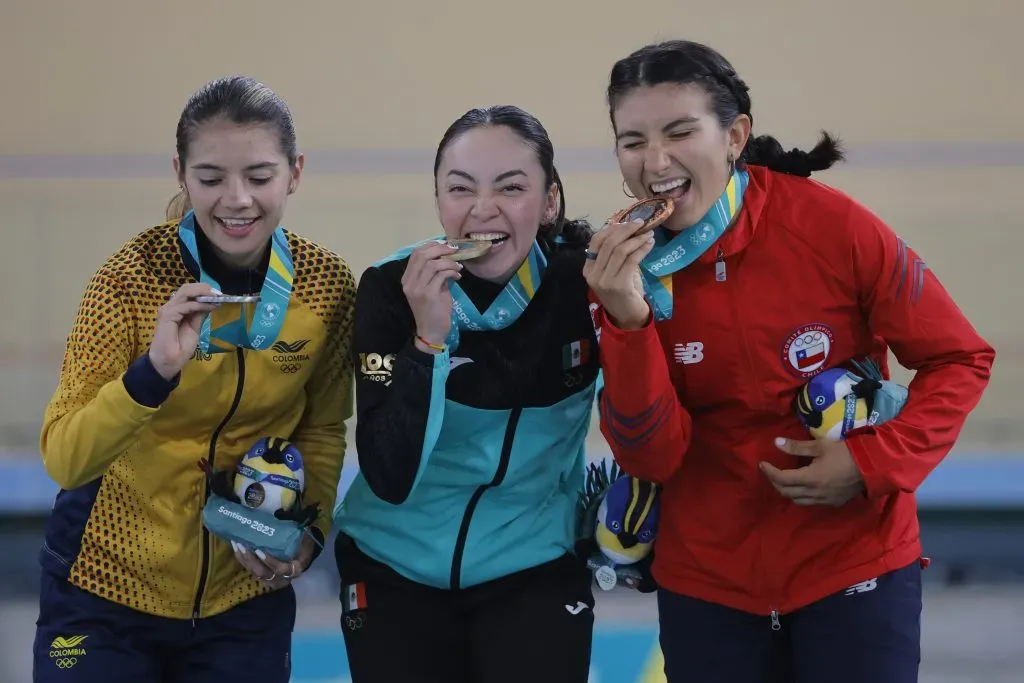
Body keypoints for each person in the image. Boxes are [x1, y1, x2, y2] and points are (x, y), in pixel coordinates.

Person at [584, 39, 995, 683]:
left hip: (854, 565)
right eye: (631, 141)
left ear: (735, 134)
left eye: (680, 132)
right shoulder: (620, 272)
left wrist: (870, 463)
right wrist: (628, 322)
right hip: (708, 582)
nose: (654, 161)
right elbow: (650, 457)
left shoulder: (832, 228)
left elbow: (959, 357)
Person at [33, 75, 356, 683]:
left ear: (295, 172)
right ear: (181, 173)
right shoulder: (126, 283)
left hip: (244, 602)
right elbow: (66, 459)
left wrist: (309, 531)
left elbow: (322, 426)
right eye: (211, 178)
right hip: (103, 591)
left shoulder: (325, 286)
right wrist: (151, 375)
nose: (236, 199)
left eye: (259, 176)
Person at [333, 105, 599, 683]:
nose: (483, 209)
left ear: (549, 201)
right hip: (390, 567)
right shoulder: (391, 286)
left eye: (511, 187)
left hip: (533, 568)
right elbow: (388, 474)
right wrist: (428, 342)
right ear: (438, 201)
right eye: (460, 189)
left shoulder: (586, 285)